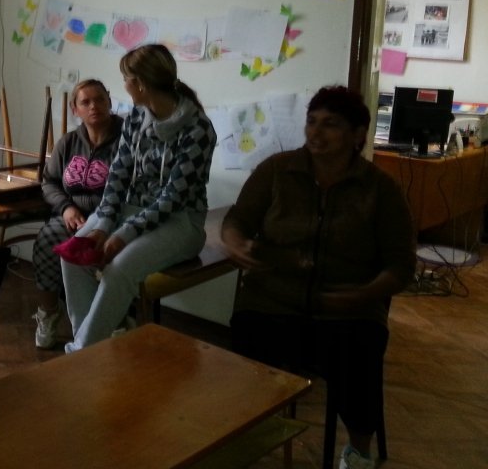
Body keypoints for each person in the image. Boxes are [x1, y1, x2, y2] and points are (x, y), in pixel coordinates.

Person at [221, 85, 415, 469]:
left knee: (359, 357)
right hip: (272, 300)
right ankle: (244, 439)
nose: (316, 132)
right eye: (311, 121)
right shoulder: (277, 170)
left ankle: (358, 453)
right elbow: (237, 219)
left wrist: (365, 294)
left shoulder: (380, 189)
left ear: (357, 135)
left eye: (331, 124)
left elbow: (401, 266)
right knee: (243, 354)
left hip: (348, 309)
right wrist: (235, 242)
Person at [60, 44, 216, 352]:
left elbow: (172, 199)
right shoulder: (135, 117)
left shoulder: (198, 129)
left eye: (126, 79)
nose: (125, 85)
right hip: (131, 211)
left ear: (141, 84)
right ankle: (88, 348)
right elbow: (118, 175)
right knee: (74, 254)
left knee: (119, 269)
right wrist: (103, 224)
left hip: (180, 222)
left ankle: (80, 353)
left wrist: (122, 235)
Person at [31, 79, 122, 349]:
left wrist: (102, 218)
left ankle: (112, 319)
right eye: (86, 102)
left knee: (105, 250)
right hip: (72, 216)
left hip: (111, 218)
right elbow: (49, 182)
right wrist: (66, 208)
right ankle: (48, 313)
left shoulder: (127, 139)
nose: (94, 106)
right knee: (47, 239)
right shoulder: (69, 142)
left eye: (100, 99)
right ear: (75, 109)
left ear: (109, 101)